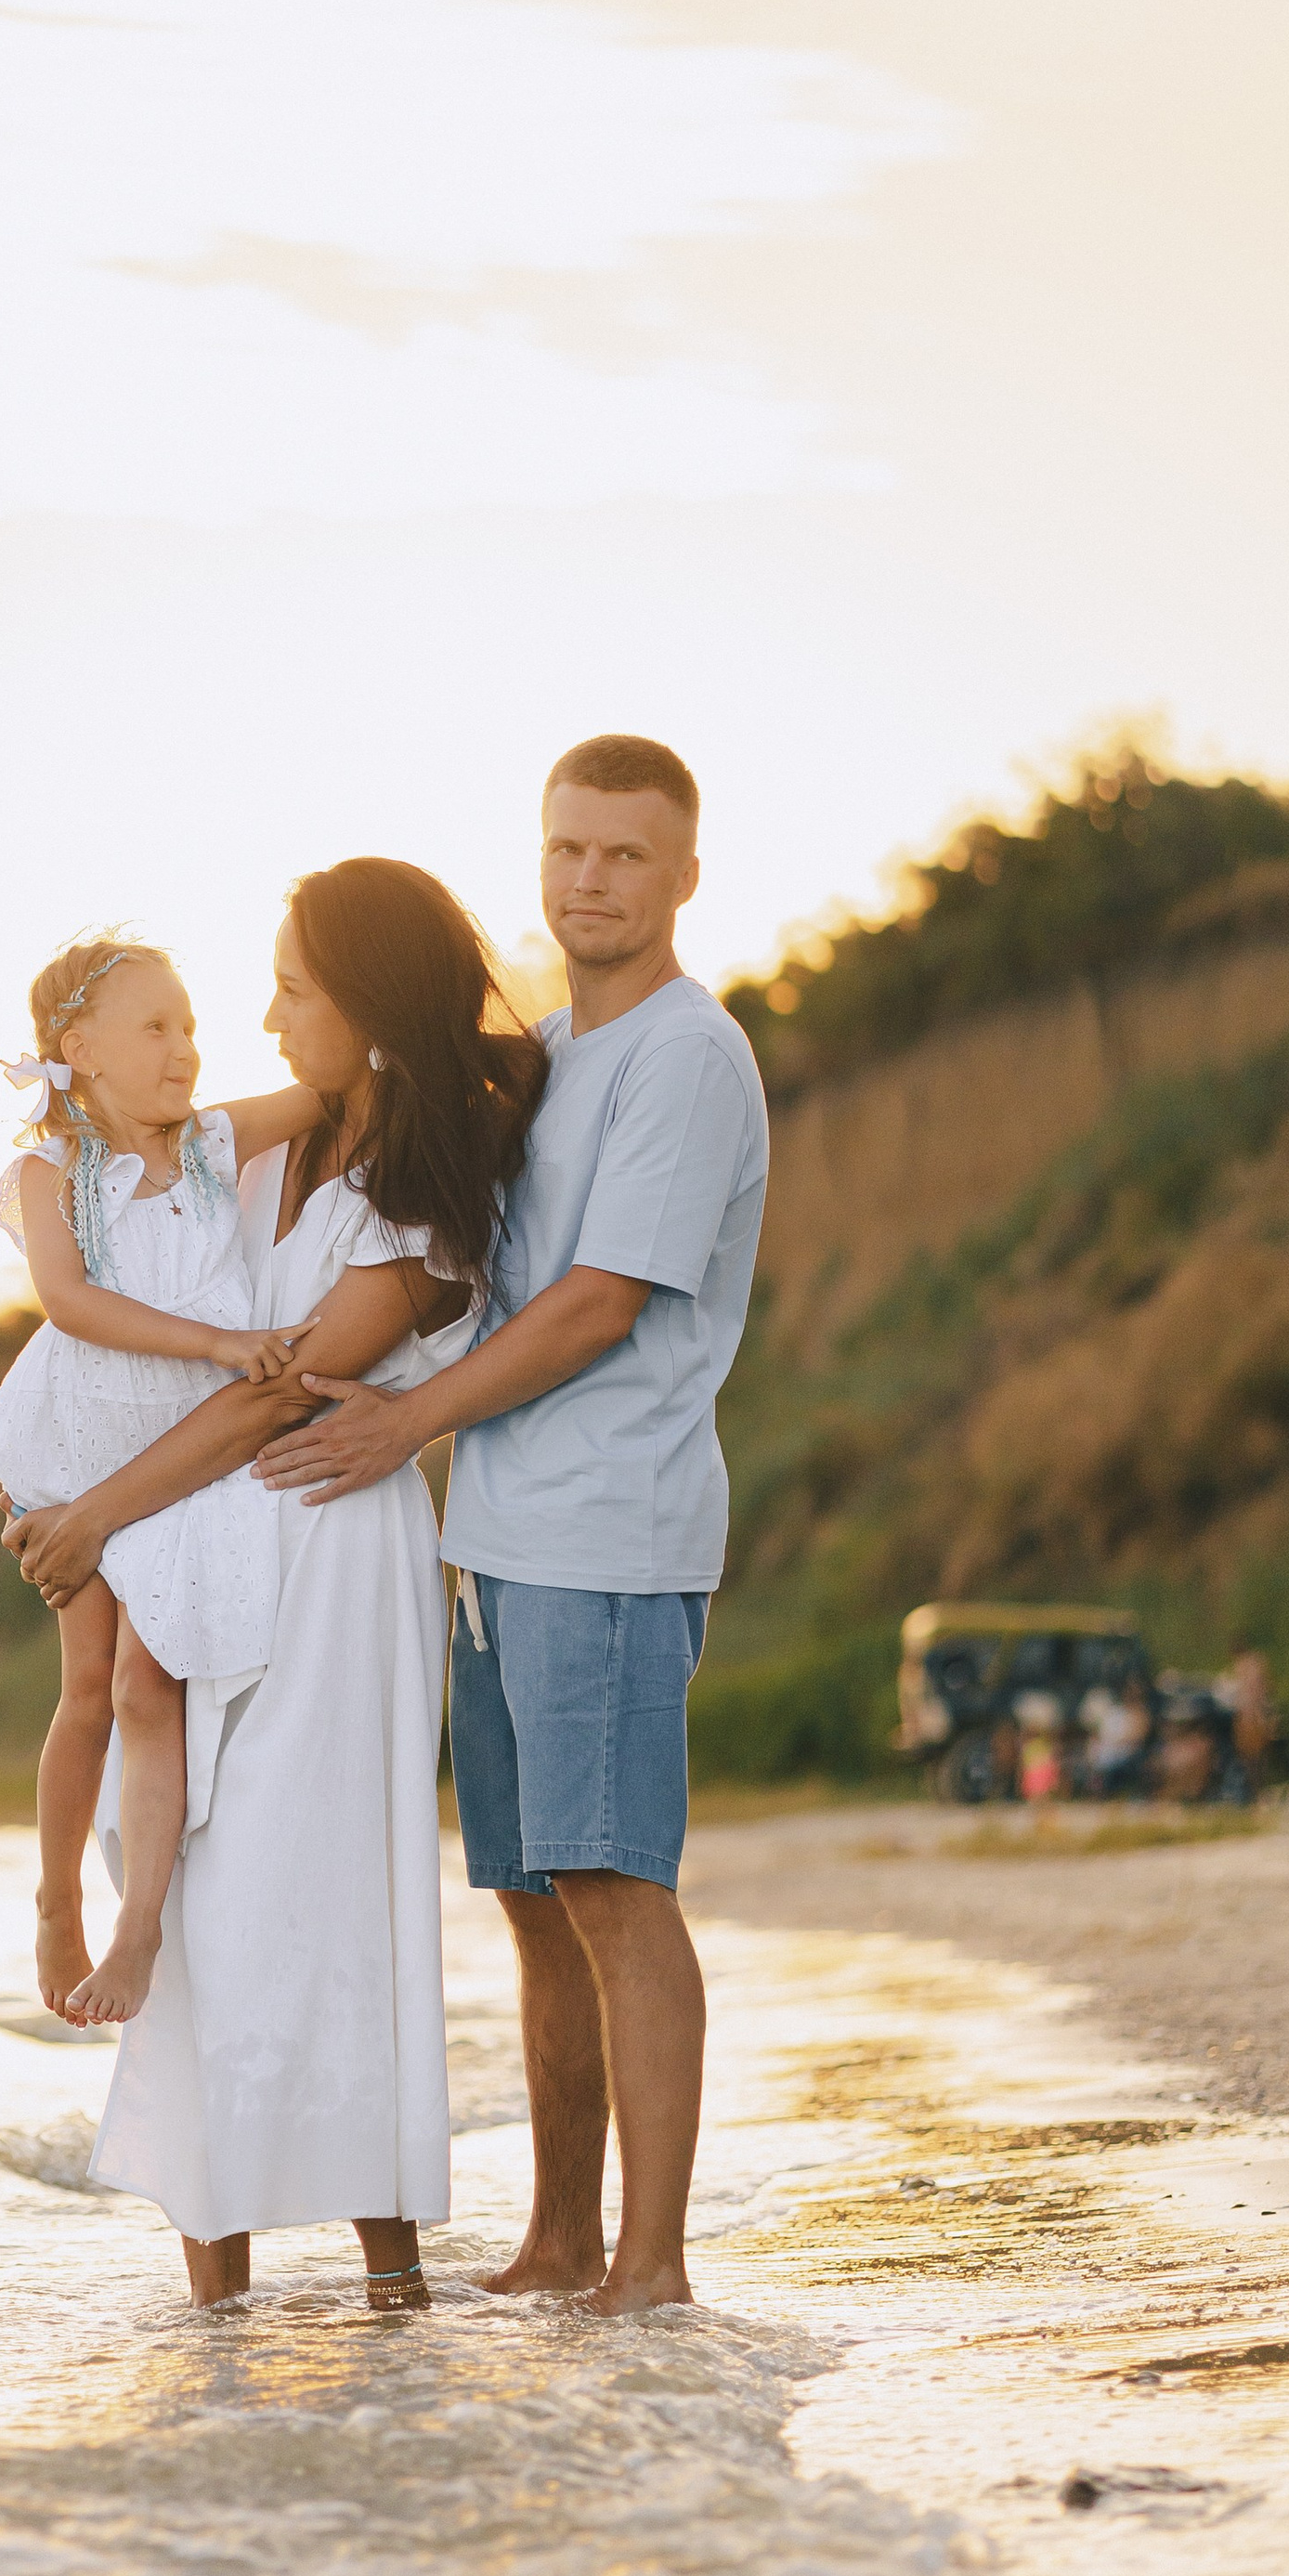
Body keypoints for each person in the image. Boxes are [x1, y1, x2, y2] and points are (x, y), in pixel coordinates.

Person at [262, 735, 768, 2314]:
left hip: (606, 1535)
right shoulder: (550, 1054)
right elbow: (343, 1097)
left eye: (626, 855)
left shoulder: (689, 1057)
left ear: (685, 877)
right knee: (539, 1906)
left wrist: (407, 1422)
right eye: (568, 850)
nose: (591, 880)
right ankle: (559, 2243)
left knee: (617, 1890)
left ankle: (653, 2264)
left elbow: (603, 1305)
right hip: (495, 1538)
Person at [7, 863, 545, 2309]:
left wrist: (92, 1520)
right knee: (182, 1869)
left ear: (366, 1008)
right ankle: (217, 2292)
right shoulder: (251, 1154)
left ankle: (389, 2274)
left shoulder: (420, 1194)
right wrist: (87, 1501)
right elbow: (124, 1292)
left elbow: (294, 1386)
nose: (260, 1017)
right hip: (204, 1527)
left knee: (313, 1888)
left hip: (329, 1549)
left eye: (295, 988)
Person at [0, 937, 314, 2027]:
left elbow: (332, 1089)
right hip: (80, 1450)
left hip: (189, 1467)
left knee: (146, 1688)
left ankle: (141, 1929)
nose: (187, 1048)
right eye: (157, 1028)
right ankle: (56, 1897)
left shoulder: (214, 1144)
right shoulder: (48, 1176)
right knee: (86, 1691)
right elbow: (71, 1304)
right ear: (82, 1050)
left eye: (190, 1025)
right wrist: (218, 1344)